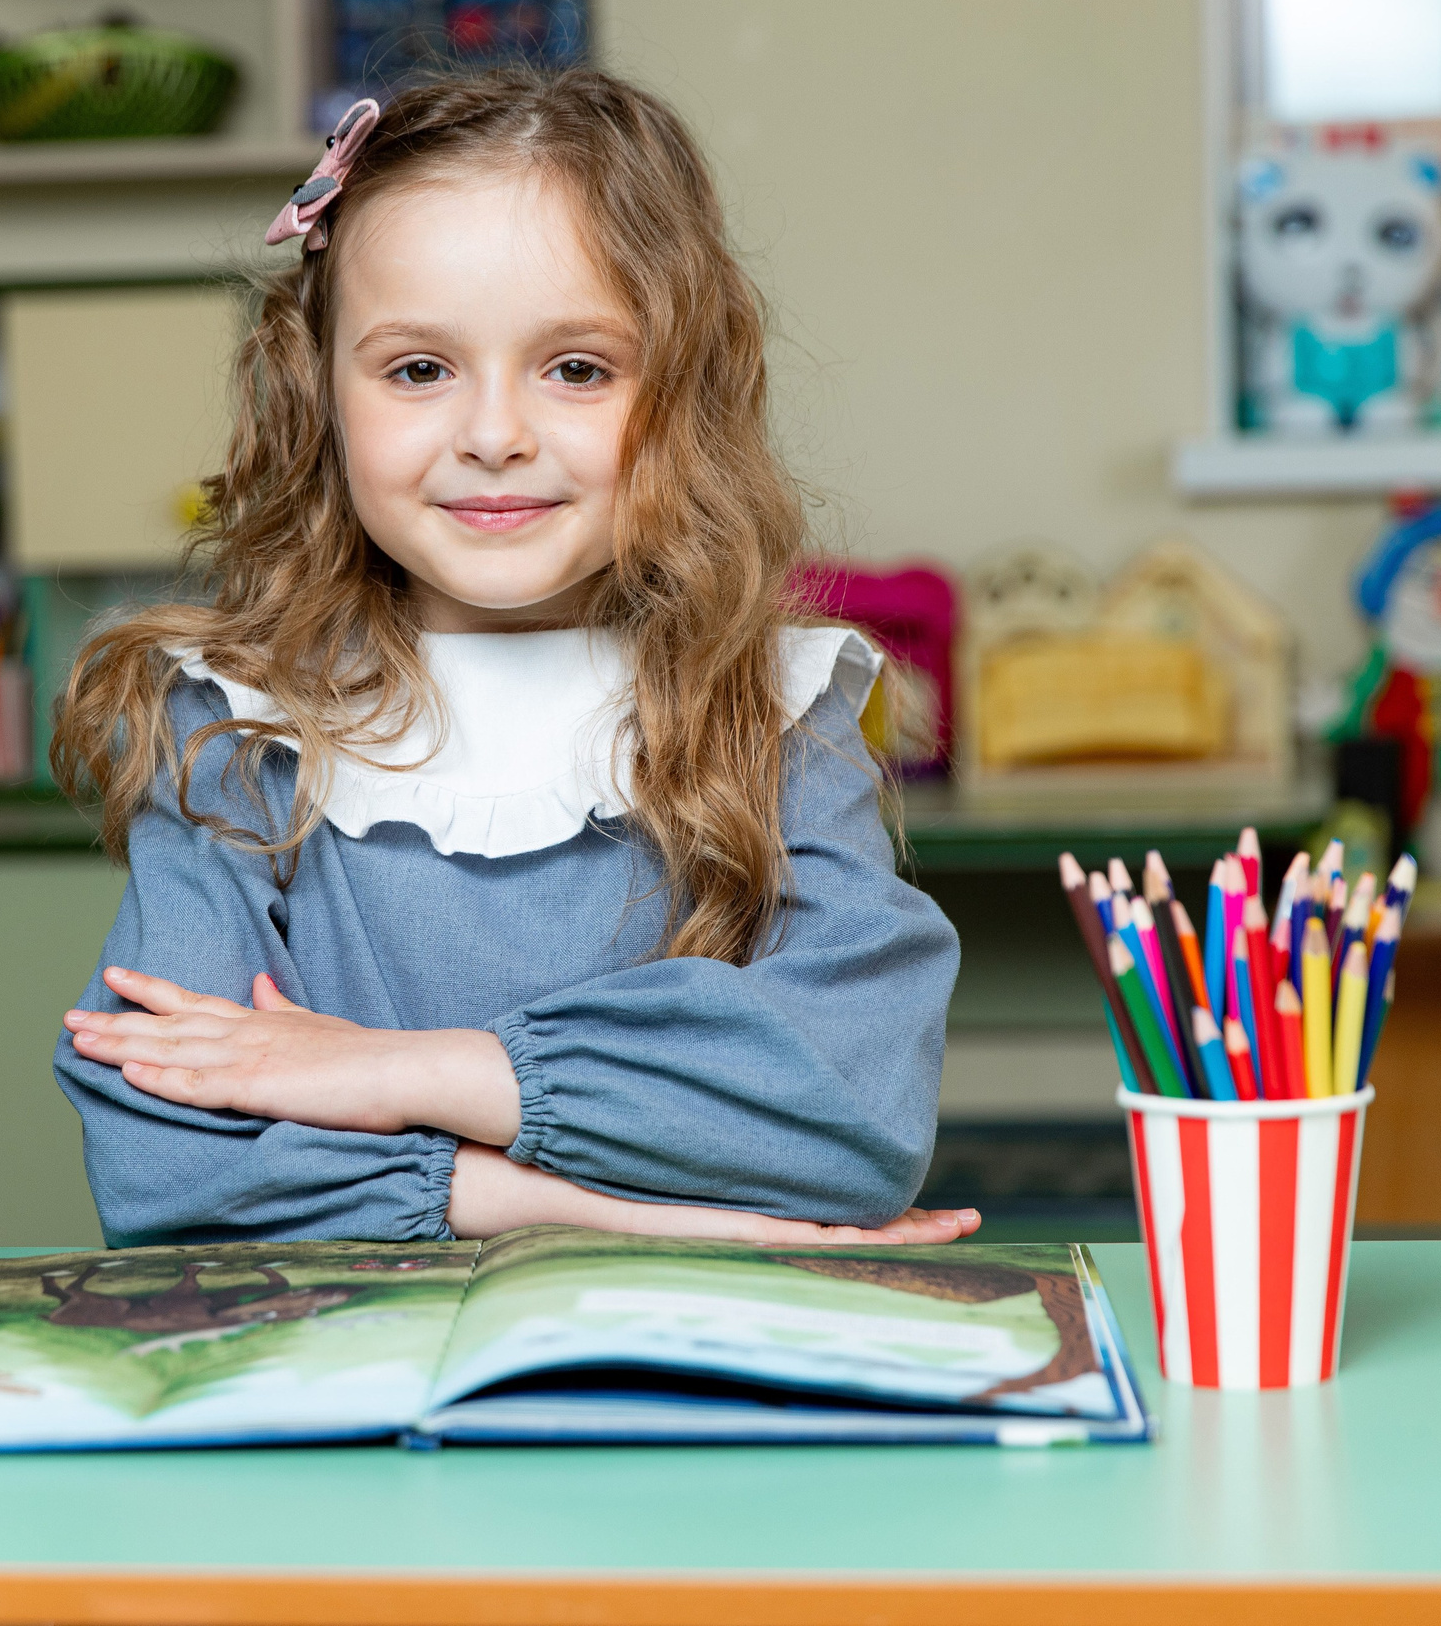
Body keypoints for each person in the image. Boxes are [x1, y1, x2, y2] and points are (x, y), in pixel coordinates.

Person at [51, 68, 972, 1249]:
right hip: (344, 1378)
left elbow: (855, 1109)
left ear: (679, 391)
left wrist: (398, 1076)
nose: (493, 436)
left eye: (577, 368)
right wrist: (633, 1212)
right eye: (418, 370)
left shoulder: (774, 709)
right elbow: (160, 1162)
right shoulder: (236, 724)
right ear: (319, 392)